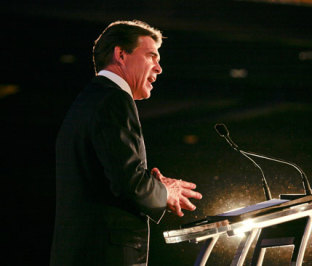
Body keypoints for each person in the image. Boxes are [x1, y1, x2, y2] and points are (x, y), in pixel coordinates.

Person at [50, 20, 202, 266]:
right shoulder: (114, 100)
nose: (159, 68)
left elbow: (110, 175)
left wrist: (150, 183)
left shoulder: (89, 100)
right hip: (106, 256)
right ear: (121, 54)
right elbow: (128, 182)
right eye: (152, 56)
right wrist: (164, 192)